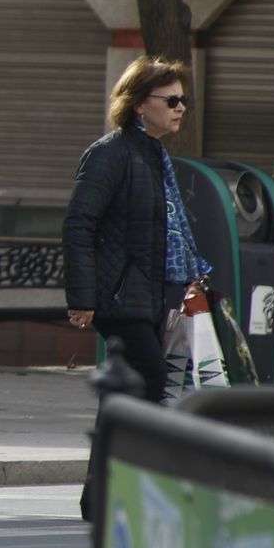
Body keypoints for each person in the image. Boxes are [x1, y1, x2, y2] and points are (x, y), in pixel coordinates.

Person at [63, 56, 212, 405]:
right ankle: (126, 455)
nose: (180, 108)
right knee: (148, 377)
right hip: (118, 297)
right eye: (171, 101)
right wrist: (82, 298)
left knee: (127, 389)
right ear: (140, 104)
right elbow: (79, 223)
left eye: (183, 100)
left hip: (147, 297)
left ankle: (110, 457)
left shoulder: (153, 156)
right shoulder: (110, 155)